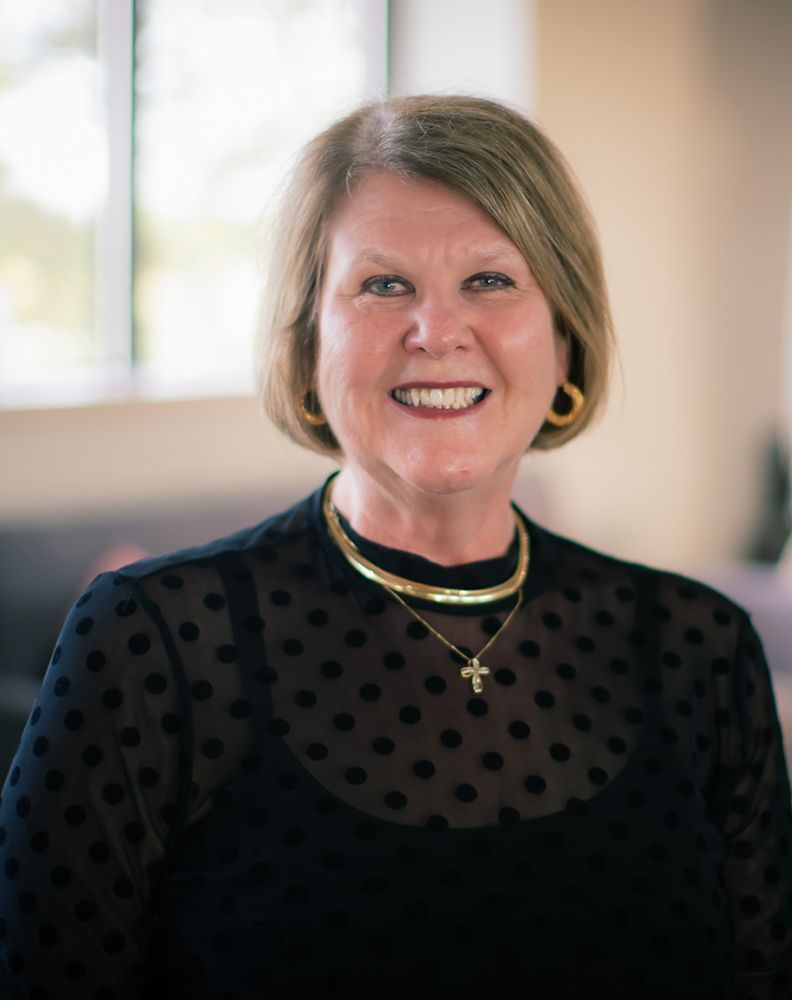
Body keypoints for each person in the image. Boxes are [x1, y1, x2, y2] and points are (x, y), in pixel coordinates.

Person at [0, 95, 790, 1000]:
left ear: (565, 339)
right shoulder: (148, 644)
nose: (437, 331)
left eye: (490, 280)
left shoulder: (704, 649)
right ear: (306, 346)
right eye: (383, 285)